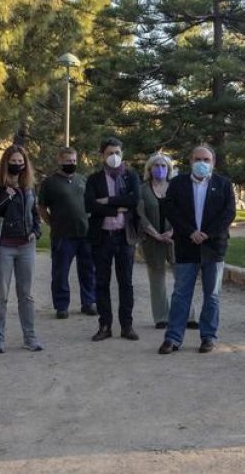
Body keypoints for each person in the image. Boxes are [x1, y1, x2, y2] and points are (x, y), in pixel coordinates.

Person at [158, 145, 236, 354]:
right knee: (181, 293)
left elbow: (228, 214)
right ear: (190, 161)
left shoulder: (224, 184)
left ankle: (208, 336)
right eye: (197, 159)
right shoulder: (177, 184)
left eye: (206, 159)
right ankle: (173, 337)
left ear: (213, 162)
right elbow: (170, 210)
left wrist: (207, 233)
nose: (202, 163)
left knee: (212, 295)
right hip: (186, 244)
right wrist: (190, 231)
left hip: (214, 246)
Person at [0, 145, 43, 353]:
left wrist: (36, 231)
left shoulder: (29, 187)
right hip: (3, 247)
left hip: (26, 245)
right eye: (13, 161)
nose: (17, 165)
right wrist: (6, 196)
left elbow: (35, 213)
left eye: (21, 162)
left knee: (26, 295)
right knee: (1, 295)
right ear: (5, 162)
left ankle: (30, 337)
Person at [86, 137, 142, 342]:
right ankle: (105, 325)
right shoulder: (94, 179)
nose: (114, 157)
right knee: (102, 282)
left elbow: (134, 200)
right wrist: (118, 207)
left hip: (124, 237)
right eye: (110, 153)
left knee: (125, 283)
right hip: (102, 238)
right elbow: (90, 205)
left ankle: (127, 325)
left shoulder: (130, 176)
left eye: (117, 152)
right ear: (102, 155)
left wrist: (109, 202)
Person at [138, 153, 197, 330]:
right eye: (156, 166)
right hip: (152, 240)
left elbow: (186, 212)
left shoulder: (176, 187)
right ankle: (161, 317)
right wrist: (155, 234)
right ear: (149, 169)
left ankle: (189, 316)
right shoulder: (143, 189)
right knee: (157, 280)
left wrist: (173, 232)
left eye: (164, 166)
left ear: (169, 169)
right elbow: (140, 215)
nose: (160, 169)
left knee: (183, 279)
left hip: (176, 240)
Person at [38, 147, 94, 320]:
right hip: (63, 235)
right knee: (60, 272)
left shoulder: (82, 180)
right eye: (68, 161)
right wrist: (52, 223)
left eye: (74, 161)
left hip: (85, 234)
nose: (72, 164)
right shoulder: (49, 182)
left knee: (88, 271)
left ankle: (88, 302)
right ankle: (61, 306)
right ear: (60, 161)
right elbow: (42, 207)